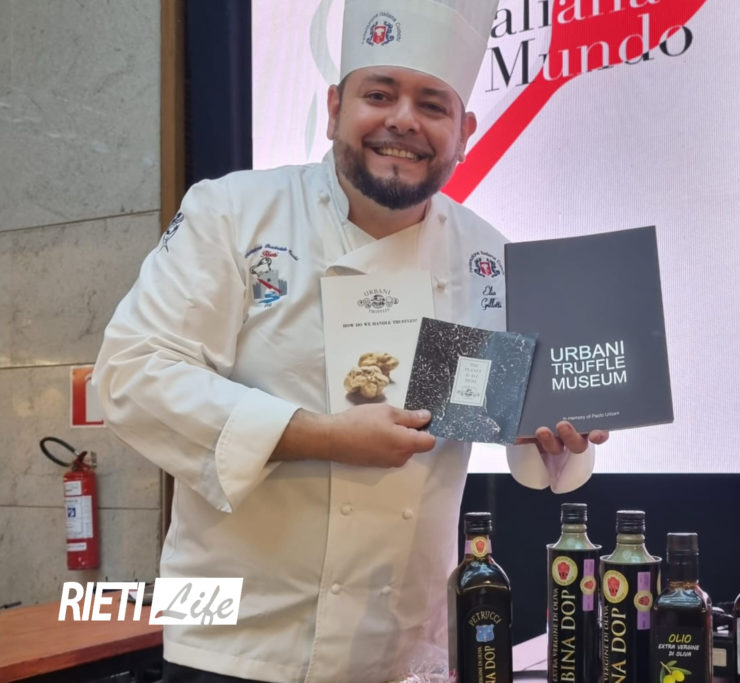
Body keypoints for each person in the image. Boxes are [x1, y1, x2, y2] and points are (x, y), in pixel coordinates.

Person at [93, 1, 605, 681]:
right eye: (379, 95)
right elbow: (131, 373)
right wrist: (322, 435)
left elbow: (519, 434)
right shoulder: (233, 213)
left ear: (464, 133)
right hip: (234, 640)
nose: (403, 120)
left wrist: (552, 438)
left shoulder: (488, 256)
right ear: (334, 108)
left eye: (432, 104)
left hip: (400, 647)